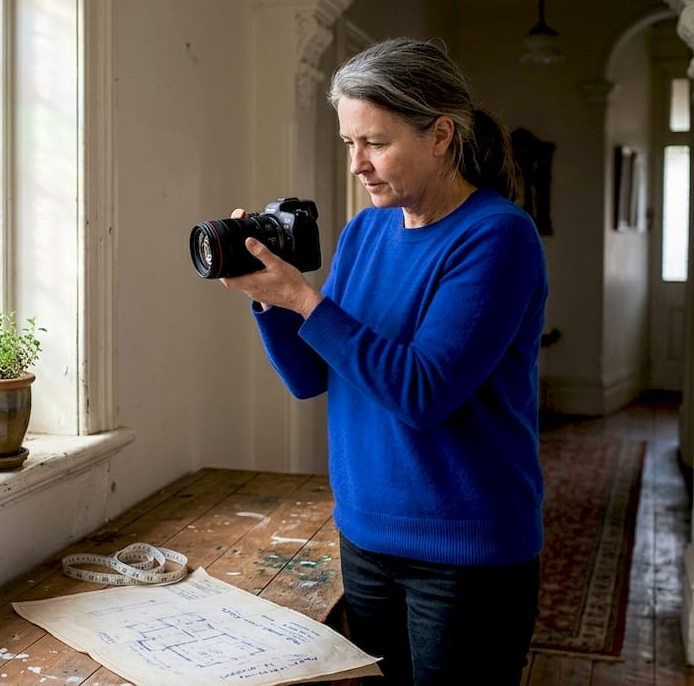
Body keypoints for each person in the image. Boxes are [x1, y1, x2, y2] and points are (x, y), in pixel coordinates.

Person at [219, 38, 547, 685]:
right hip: (365, 537)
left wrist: (303, 299)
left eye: (374, 142)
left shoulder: (498, 236)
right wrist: (269, 299)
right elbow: (310, 376)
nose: (357, 165)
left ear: (440, 136)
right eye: (349, 143)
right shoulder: (366, 231)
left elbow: (423, 393)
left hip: (466, 555)